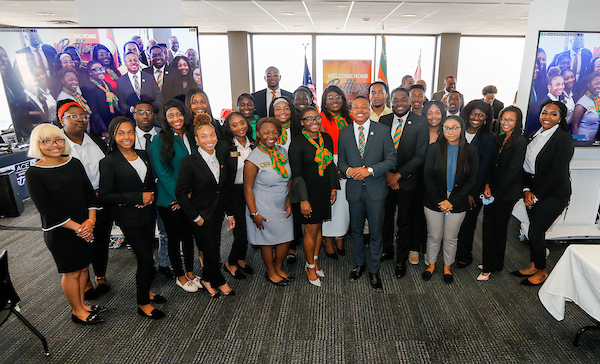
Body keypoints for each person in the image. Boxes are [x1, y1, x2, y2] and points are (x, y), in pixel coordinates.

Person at [26, 124, 104, 325]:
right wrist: (79, 228)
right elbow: (46, 210)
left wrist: (90, 221)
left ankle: (83, 305)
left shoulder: (74, 162)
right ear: (38, 144)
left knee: (84, 269)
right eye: (47, 141)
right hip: (61, 231)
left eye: (59, 139)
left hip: (86, 227)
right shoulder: (34, 173)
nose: (55, 145)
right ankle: (77, 311)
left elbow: (89, 194)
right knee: (72, 272)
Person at [99, 117, 166, 319]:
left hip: (147, 213)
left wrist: (149, 197)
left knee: (149, 258)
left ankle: (146, 291)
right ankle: (142, 303)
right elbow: (105, 195)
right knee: (146, 260)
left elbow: (149, 182)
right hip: (128, 218)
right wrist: (137, 198)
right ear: (113, 136)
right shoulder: (108, 162)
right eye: (121, 133)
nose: (126, 136)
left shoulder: (143, 154)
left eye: (130, 132)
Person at [338, 96, 396, 291]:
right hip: (354, 191)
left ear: (369, 109)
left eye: (364, 106)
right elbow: (342, 162)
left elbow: (391, 160)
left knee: (376, 232)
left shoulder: (382, 131)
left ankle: (373, 269)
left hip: (376, 190)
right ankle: (359, 264)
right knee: (355, 230)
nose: (360, 110)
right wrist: (349, 171)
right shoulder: (344, 133)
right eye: (356, 107)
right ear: (351, 110)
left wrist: (368, 170)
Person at [56, 100, 113, 298]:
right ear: (61, 120)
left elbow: (108, 169)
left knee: (101, 238)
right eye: (74, 116)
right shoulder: (58, 147)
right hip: (76, 203)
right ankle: (86, 280)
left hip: (102, 198)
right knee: (82, 239)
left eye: (83, 116)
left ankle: (100, 275)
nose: (81, 119)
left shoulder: (96, 141)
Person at [514, 100, 574, 286]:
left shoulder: (563, 139)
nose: (547, 117)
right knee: (534, 231)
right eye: (544, 112)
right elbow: (525, 166)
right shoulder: (535, 134)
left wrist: (536, 195)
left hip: (554, 194)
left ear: (561, 118)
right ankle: (533, 265)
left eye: (553, 114)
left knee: (536, 232)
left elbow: (557, 173)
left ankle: (541, 272)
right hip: (533, 192)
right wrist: (526, 190)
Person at [150, 99, 201, 293]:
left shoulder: (190, 135)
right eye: (170, 116)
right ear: (165, 119)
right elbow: (162, 173)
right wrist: (181, 197)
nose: (176, 119)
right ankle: (179, 276)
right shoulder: (160, 139)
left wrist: (191, 194)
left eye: (179, 114)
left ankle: (190, 272)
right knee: (174, 237)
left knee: (189, 237)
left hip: (189, 196)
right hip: (170, 198)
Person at [422, 116, 478, 283]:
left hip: (458, 201)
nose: (450, 131)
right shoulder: (433, 148)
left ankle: (447, 266)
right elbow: (428, 176)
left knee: (451, 236)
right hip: (434, 199)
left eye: (454, 128)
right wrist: (441, 200)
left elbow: (471, 179)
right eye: (446, 128)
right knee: (434, 235)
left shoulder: (471, 150)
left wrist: (451, 200)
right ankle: (431, 265)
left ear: (461, 129)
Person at [379, 87, 428, 276]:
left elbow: (419, 156)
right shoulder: (384, 120)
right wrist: (386, 175)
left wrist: (397, 176)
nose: (399, 103)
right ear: (390, 101)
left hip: (406, 181)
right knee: (386, 218)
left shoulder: (420, 122)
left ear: (409, 101)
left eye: (402, 99)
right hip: (384, 179)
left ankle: (401, 259)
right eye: (395, 100)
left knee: (405, 221)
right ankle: (387, 249)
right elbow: (378, 151)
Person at [289, 106, 339, 287]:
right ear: (302, 123)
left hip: (322, 190)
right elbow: (297, 174)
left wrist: (333, 187)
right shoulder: (298, 142)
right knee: (310, 230)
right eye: (308, 119)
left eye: (316, 118)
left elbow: (330, 165)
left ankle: (315, 259)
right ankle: (309, 266)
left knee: (319, 228)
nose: (314, 122)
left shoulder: (326, 138)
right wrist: (303, 199)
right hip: (306, 193)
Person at [243, 117, 294, 286]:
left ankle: (278, 268)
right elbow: (247, 189)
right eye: (266, 132)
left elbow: (288, 178)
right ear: (258, 134)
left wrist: (288, 199)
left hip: (281, 202)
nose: (270, 135)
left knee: (286, 238)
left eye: (274, 132)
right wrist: (254, 213)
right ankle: (270, 271)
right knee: (267, 241)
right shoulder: (253, 159)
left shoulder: (282, 151)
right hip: (262, 204)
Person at [478, 106, 527, 281]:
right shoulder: (499, 137)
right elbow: (493, 165)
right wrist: (488, 184)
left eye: (511, 120)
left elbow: (513, 171)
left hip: (506, 194)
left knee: (496, 228)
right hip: (494, 190)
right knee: (490, 227)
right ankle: (494, 263)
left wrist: (495, 193)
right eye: (504, 119)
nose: (506, 123)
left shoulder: (520, 141)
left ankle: (489, 267)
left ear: (517, 121)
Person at [132, 101, 174, 279]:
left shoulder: (163, 135)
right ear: (134, 114)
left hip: (162, 191)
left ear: (155, 115)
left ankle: (165, 263)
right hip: (139, 195)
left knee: (166, 232)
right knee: (144, 236)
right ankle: (148, 265)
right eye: (140, 112)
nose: (145, 116)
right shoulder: (127, 136)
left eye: (149, 112)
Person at [455, 100, 495, 269]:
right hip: (453, 186)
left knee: (467, 223)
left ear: (486, 118)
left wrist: (471, 193)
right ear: (468, 113)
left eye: (481, 115)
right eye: (474, 114)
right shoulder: (458, 131)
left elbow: (484, 167)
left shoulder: (488, 138)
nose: (476, 118)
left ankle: (464, 255)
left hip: (474, 189)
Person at [319, 85, 351, 258]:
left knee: (344, 204)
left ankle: (340, 235)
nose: (334, 100)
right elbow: (319, 146)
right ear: (324, 101)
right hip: (327, 162)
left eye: (338, 96)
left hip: (348, 163)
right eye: (330, 97)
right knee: (330, 201)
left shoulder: (350, 117)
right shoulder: (320, 118)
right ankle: (327, 239)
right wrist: (333, 167)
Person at [222, 112, 255, 279]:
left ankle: (241, 259)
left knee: (248, 230)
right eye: (234, 125)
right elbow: (224, 181)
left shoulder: (254, 144)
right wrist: (228, 210)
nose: (240, 127)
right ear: (229, 128)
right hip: (234, 193)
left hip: (252, 192)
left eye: (242, 123)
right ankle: (231, 262)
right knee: (240, 233)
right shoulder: (226, 148)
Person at [116, 52, 162, 119]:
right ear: (125, 64)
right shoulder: (120, 81)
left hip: (151, 118)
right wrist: (131, 109)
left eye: (135, 60)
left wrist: (149, 107)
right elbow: (121, 104)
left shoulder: (149, 77)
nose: (133, 62)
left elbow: (159, 98)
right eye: (130, 61)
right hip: (133, 119)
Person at [82, 60, 121, 137]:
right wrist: (103, 130)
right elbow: (94, 112)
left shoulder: (107, 85)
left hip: (111, 121)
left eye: (101, 69)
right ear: (90, 72)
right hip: (100, 126)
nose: (101, 71)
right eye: (96, 69)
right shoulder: (88, 88)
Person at [527, 67, 565, 137]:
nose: (561, 87)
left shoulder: (561, 102)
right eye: (557, 84)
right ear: (549, 87)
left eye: (562, 84)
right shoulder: (539, 105)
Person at [571, 72, 600, 141]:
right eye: (596, 84)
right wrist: (578, 144)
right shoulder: (582, 104)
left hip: (592, 141)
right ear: (588, 85)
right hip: (583, 140)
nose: (599, 86)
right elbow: (574, 126)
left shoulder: (597, 100)